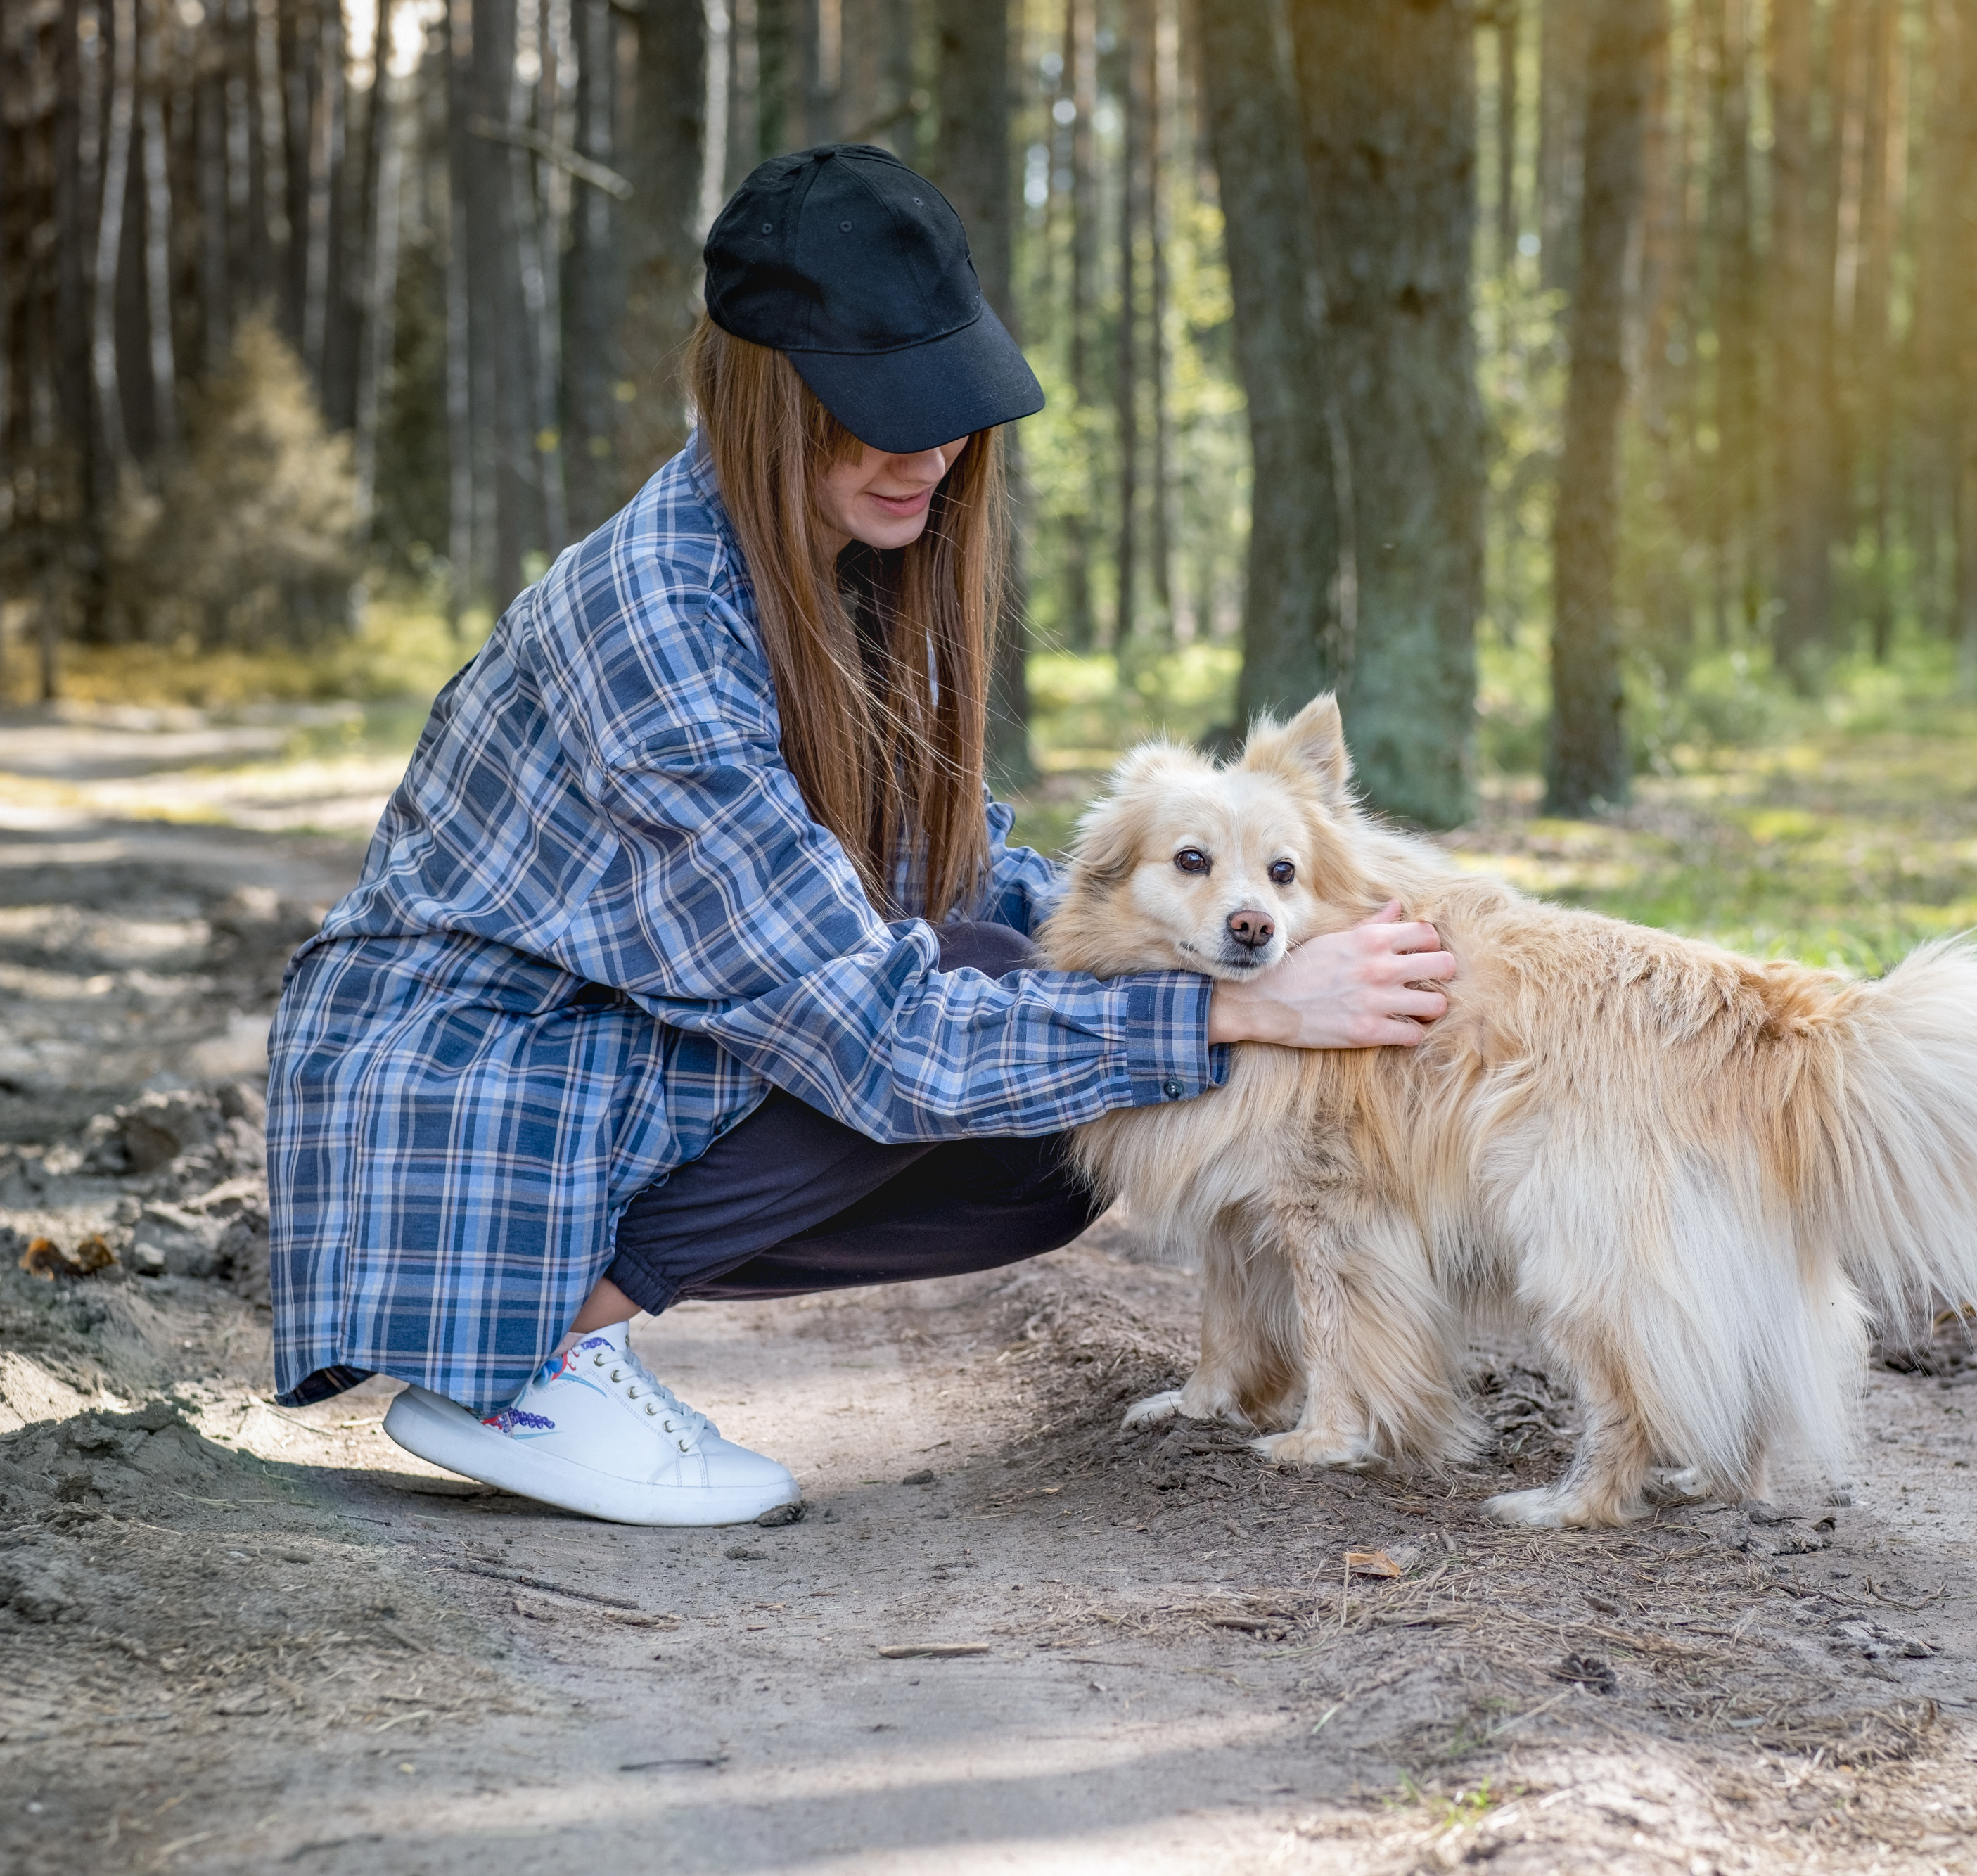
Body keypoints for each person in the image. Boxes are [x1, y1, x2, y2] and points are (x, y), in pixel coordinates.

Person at [263, 145, 1456, 1529]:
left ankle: (549, 1331)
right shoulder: (658, 617)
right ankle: (521, 1362)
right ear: (765, 397)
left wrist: (1192, 918)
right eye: (880, 413)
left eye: (947, 407)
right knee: (985, 1015)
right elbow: (869, 1031)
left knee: (1039, 1145)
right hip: (466, 1109)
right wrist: (1223, 1015)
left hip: (595, 1053)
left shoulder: (854, 567)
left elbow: (957, 883)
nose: (929, 451)